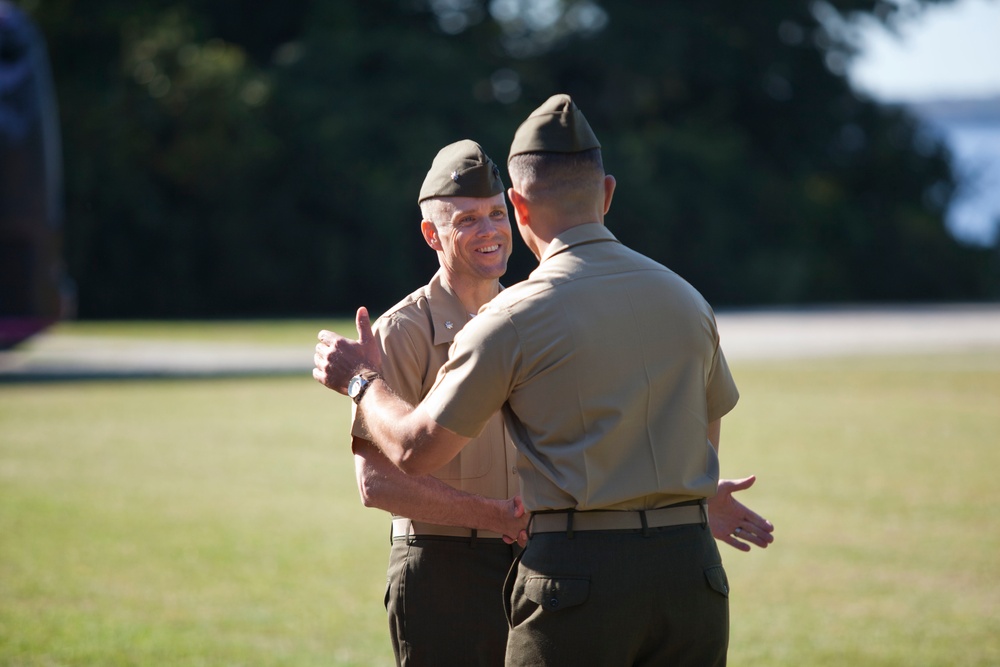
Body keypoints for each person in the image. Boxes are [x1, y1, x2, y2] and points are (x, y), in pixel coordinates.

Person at [319, 110, 773, 665]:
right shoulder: (403, 330)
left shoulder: (527, 313)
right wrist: (496, 516)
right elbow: (378, 482)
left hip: (553, 559)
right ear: (430, 233)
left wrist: (684, 496)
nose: (488, 230)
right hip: (452, 564)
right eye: (466, 220)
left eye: (495, 214)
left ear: (518, 209)